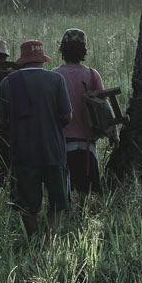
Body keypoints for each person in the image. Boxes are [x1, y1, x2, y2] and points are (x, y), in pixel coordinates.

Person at [0, 39, 72, 237]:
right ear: (42, 60)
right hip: (53, 152)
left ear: (22, 60)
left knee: (27, 205)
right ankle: (48, 239)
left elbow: (0, 121)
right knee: (58, 202)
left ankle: (35, 240)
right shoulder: (56, 80)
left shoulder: (9, 82)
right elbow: (67, 117)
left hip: (23, 152)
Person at [53, 28, 107, 198]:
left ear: (62, 50)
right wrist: (114, 136)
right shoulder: (92, 75)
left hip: (61, 141)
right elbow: (104, 108)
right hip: (86, 142)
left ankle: (66, 218)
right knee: (85, 189)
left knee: (64, 186)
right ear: (84, 51)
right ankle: (82, 219)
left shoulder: (54, 75)